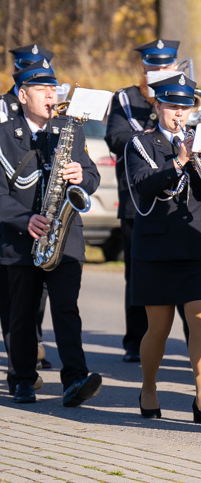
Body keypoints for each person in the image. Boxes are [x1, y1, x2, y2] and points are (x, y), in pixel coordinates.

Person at [104, 38, 201, 363]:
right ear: (144, 68)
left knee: (192, 285)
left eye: (164, 66)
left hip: (189, 211)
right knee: (140, 277)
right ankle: (135, 340)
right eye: (152, 66)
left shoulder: (189, 102)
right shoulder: (127, 99)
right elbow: (115, 138)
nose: (158, 71)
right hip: (141, 203)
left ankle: (195, 340)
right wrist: (155, 132)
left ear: (175, 66)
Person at [0, 58, 102, 406]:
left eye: (53, 89)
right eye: (42, 89)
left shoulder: (68, 129)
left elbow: (92, 176)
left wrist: (81, 175)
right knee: (22, 312)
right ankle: (23, 379)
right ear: (23, 95)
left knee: (66, 309)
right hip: (20, 239)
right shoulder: (3, 134)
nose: (51, 95)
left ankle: (75, 378)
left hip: (65, 236)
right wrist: (22, 219)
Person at [125, 73, 201, 424]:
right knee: (159, 326)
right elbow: (142, 185)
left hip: (197, 240)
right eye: (172, 107)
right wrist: (179, 161)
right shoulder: (140, 143)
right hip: (157, 245)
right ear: (157, 105)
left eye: (185, 107)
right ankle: (148, 387)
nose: (179, 114)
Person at [1, 45, 54, 394]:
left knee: (35, 304)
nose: (49, 92)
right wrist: (23, 218)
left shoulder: (58, 122)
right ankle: (20, 372)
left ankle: (30, 357)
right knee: (15, 308)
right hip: (10, 229)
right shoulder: (5, 119)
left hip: (45, 229)